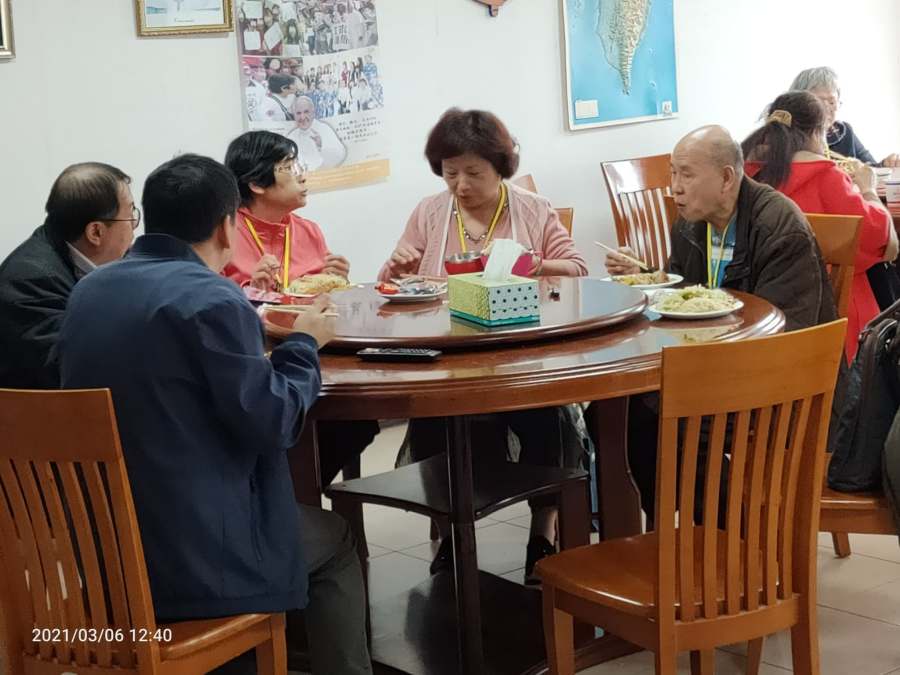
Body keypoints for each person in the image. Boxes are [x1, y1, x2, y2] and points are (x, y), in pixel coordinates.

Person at [58, 154, 372, 675]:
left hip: (106, 552)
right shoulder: (212, 297)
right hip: (195, 557)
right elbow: (273, 423)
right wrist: (303, 345)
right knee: (336, 538)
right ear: (228, 226)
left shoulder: (89, 291)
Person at [381, 108, 590, 584]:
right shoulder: (430, 212)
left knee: (548, 420)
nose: (460, 185)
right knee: (436, 425)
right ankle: (452, 536)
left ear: (501, 167)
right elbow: (391, 286)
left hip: (521, 356)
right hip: (451, 359)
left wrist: (534, 264)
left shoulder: (532, 209)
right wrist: (396, 268)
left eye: (473, 173)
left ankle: (543, 534)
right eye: (450, 173)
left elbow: (576, 268)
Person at [606, 125, 838, 521]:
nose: (674, 188)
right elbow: (683, 298)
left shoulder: (778, 226)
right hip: (714, 368)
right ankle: (686, 527)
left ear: (727, 178)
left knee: (672, 421)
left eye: (686, 174)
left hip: (781, 381)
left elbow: (784, 335)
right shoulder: (690, 224)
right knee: (615, 414)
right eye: (673, 173)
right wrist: (648, 277)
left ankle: (726, 533)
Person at [223, 130, 376, 487]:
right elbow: (214, 306)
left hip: (319, 357)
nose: (303, 177)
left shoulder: (308, 230)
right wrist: (250, 289)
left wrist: (337, 280)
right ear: (256, 184)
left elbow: (322, 299)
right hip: (259, 363)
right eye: (289, 168)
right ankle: (289, 492)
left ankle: (299, 490)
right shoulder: (226, 232)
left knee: (359, 419)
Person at [742, 90, 897, 361]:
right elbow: (876, 237)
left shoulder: (750, 173)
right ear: (816, 133)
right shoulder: (826, 176)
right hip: (833, 309)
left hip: (763, 304)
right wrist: (868, 190)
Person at [0, 162, 136, 388]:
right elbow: (73, 368)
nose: (134, 227)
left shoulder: (79, 255)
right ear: (95, 232)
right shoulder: (30, 281)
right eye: (130, 215)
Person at [790, 66, 900, 168]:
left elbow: (868, 169)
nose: (826, 108)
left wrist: (885, 164)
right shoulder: (785, 135)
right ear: (797, 103)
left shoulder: (842, 132)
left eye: (832, 102)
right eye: (818, 102)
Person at [287, 95, 347, 171]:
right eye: (298, 113)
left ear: (313, 113)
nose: (302, 117)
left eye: (306, 112)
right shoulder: (290, 137)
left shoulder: (324, 129)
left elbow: (340, 155)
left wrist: (321, 145)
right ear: (294, 116)